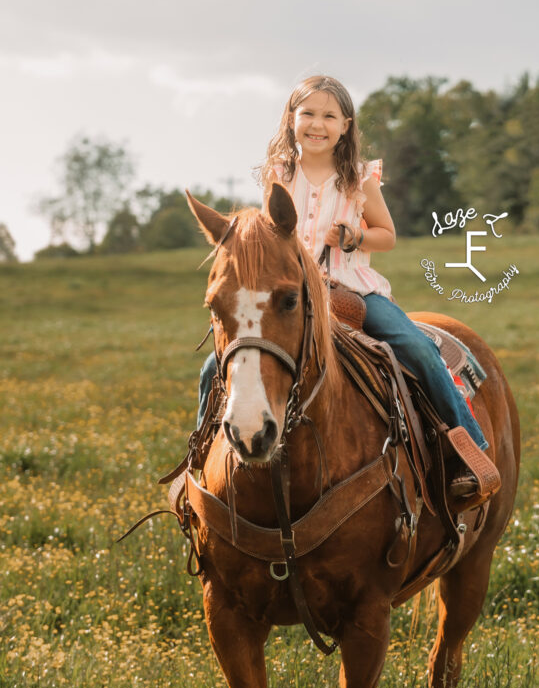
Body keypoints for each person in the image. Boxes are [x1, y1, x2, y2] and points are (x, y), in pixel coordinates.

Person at [197, 75, 498, 505]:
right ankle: (201, 465)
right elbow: (273, 236)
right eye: (308, 114)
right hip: (294, 295)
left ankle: (467, 451)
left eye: (328, 116)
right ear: (291, 120)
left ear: (345, 126)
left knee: (414, 346)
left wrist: (355, 236)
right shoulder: (279, 174)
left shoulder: (359, 178)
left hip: (353, 288)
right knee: (215, 365)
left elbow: (388, 234)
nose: (317, 124)